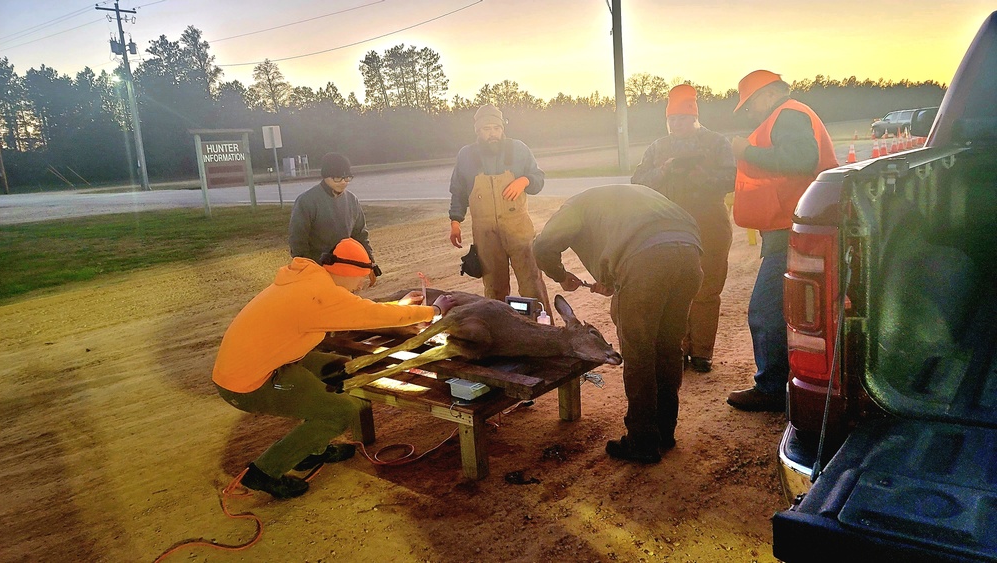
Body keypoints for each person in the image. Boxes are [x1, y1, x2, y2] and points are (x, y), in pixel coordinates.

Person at [212, 238, 456, 498]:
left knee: (342, 369)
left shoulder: (311, 281)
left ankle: (310, 449)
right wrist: (433, 311)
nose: (361, 285)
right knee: (341, 411)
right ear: (347, 273)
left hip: (271, 361)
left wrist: (400, 307)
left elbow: (360, 311)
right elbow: (369, 314)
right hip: (246, 383)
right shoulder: (318, 294)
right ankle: (264, 472)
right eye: (361, 278)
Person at [533, 184, 703, 463]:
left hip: (646, 259)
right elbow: (647, 241)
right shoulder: (630, 198)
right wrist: (614, 279)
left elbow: (543, 245)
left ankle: (642, 442)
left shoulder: (575, 205)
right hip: (689, 255)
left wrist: (561, 276)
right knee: (668, 346)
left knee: (639, 351)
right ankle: (664, 431)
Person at [726, 70, 839, 412]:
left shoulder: (788, 115)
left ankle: (773, 388)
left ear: (767, 94)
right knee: (791, 308)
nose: (747, 112)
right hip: (795, 225)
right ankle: (786, 382)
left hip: (795, 227)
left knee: (766, 310)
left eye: (749, 104)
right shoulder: (787, 115)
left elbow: (800, 159)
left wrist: (746, 150)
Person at [631, 84, 736, 374]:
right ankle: (675, 349)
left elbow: (731, 179)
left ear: (695, 118)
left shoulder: (716, 143)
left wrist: (702, 176)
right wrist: (663, 170)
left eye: (683, 118)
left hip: (710, 221)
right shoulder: (657, 148)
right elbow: (638, 181)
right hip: (668, 224)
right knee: (672, 288)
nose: (678, 124)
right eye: (672, 119)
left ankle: (702, 352)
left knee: (708, 286)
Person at [448, 103, 551, 313]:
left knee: (532, 284)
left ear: (502, 129)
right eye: (487, 129)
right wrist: (455, 221)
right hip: (485, 234)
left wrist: (524, 180)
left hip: (519, 231)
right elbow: (458, 191)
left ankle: (545, 328)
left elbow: (538, 179)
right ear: (478, 131)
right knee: (494, 290)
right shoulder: (466, 156)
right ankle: (502, 334)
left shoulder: (519, 149)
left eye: (496, 128)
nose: (492, 134)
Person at [289, 153, 379, 287]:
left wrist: (369, 263)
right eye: (337, 177)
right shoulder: (307, 202)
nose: (343, 182)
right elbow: (298, 243)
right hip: (318, 271)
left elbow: (360, 235)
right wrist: (310, 271)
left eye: (347, 178)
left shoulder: (352, 200)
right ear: (325, 176)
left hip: (346, 271)